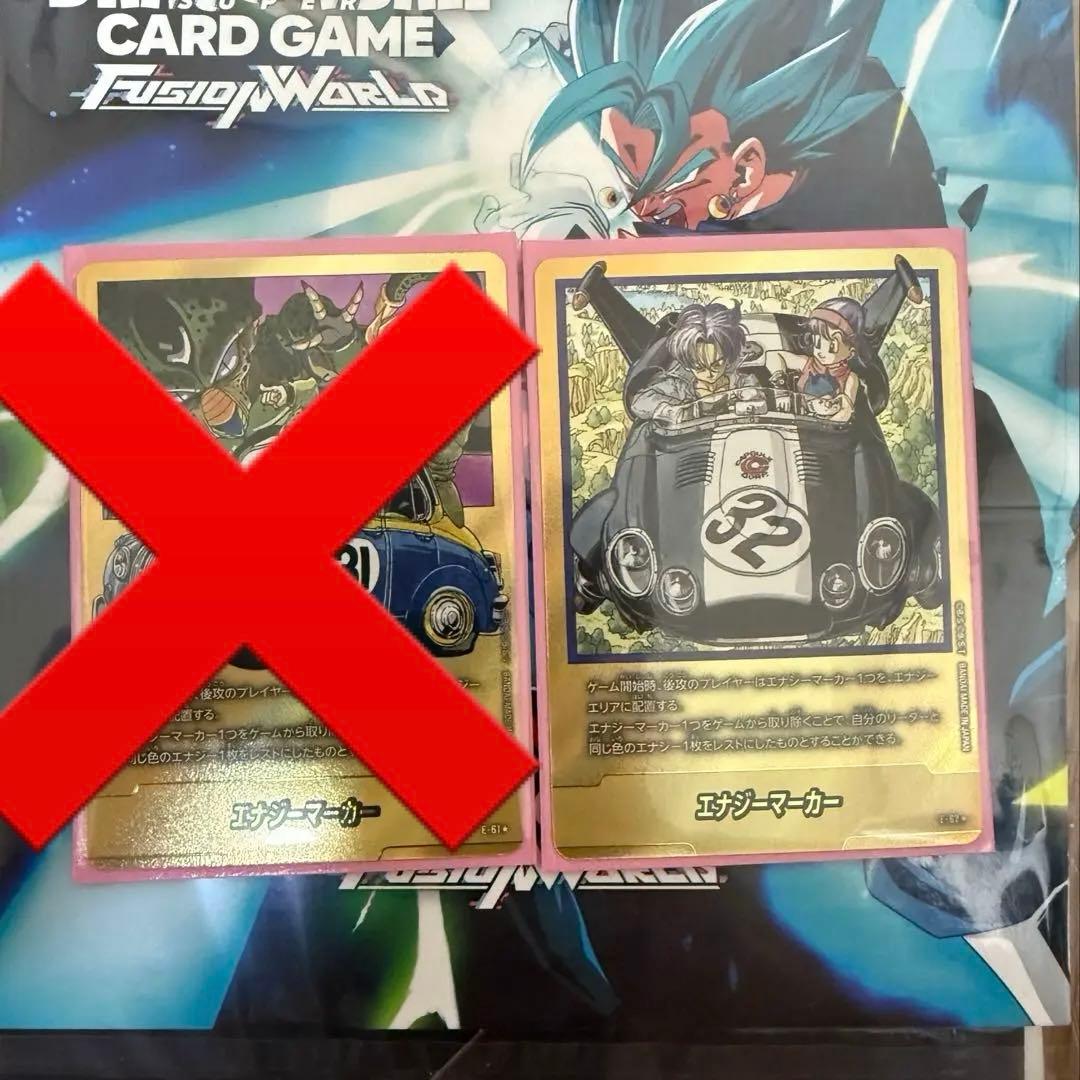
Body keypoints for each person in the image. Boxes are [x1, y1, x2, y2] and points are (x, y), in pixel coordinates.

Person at [627, 302, 745, 424]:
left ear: (728, 358)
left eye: (717, 365)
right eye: (699, 367)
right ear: (687, 363)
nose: (709, 374)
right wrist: (674, 411)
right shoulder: (679, 387)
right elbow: (639, 402)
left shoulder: (740, 382)